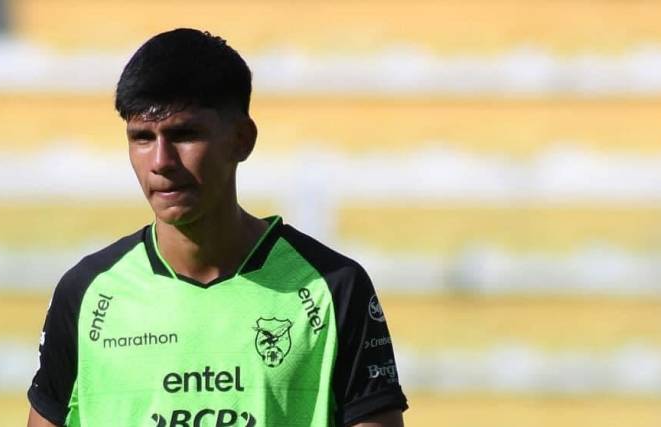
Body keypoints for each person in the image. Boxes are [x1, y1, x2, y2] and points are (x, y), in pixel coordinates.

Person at [26, 28, 408, 427]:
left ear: (242, 139)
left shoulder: (334, 288)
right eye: (142, 137)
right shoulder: (86, 292)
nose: (161, 160)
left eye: (184, 135)